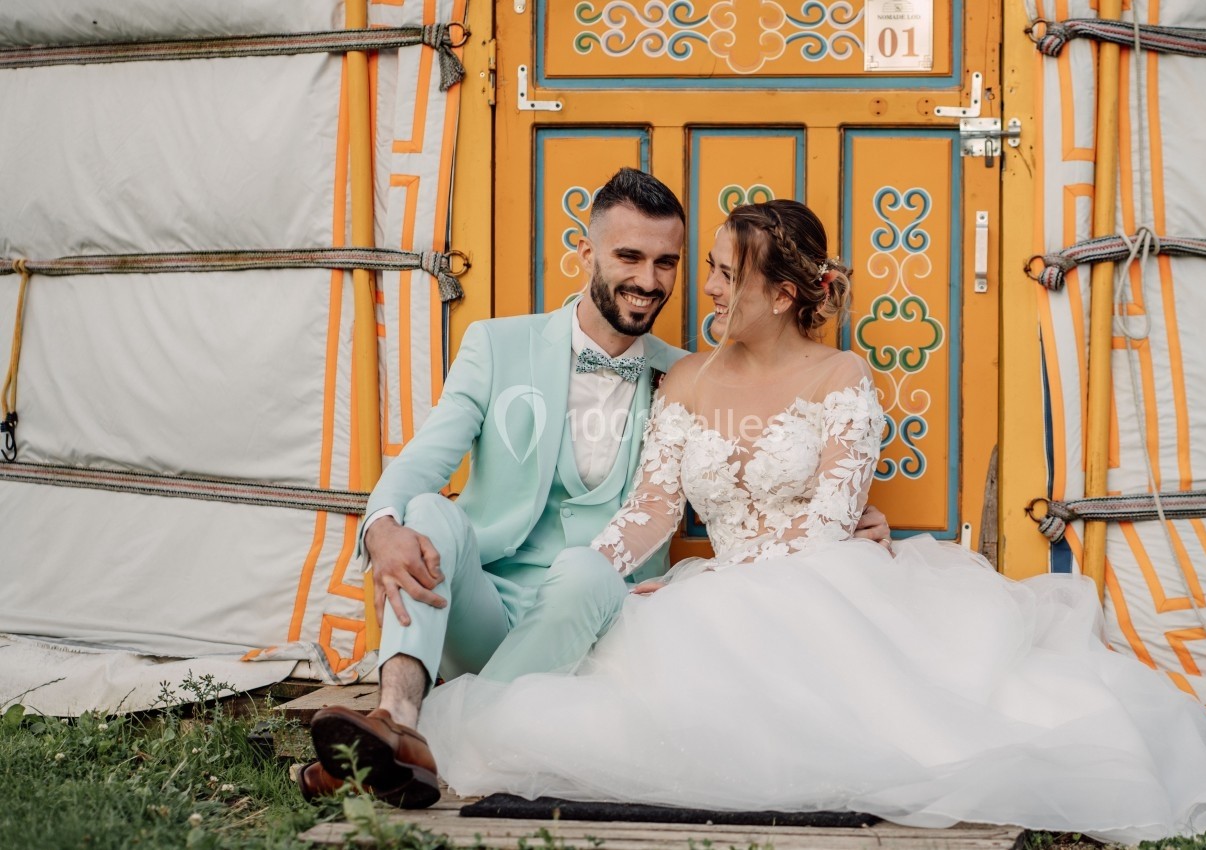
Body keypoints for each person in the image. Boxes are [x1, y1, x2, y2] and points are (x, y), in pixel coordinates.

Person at [419, 199, 1206, 844]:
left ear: (782, 294)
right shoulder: (685, 383)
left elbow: (827, 522)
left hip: (819, 583)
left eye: (722, 274)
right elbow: (653, 509)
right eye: (705, 267)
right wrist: (601, 571)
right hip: (711, 589)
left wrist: (720, 580)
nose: (703, 288)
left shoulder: (841, 379)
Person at [299, 171, 891, 807]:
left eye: (669, 262)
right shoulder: (502, 345)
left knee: (584, 571)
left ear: (778, 294)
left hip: (597, 608)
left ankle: (407, 750)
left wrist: (839, 514)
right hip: (483, 603)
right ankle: (398, 717)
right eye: (630, 257)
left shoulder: (679, 370)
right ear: (586, 254)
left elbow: (766, 483)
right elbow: (651, 503)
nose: (654, 280)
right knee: (421, 511)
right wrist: (381, 525)